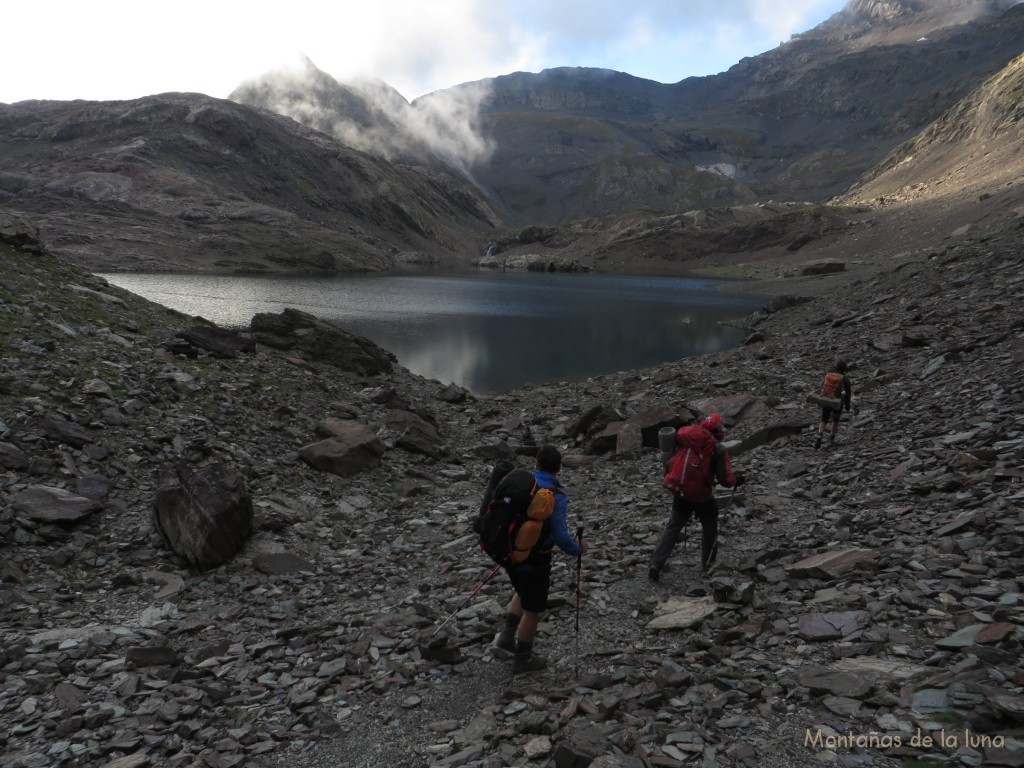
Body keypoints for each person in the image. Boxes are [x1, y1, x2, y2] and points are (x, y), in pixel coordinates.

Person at [491, 444, 587, 673]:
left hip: (510, 552)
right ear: (559, 469)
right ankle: (523, 658)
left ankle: (506, 637)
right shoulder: (554, 495)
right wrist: (577, 550)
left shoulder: (521, 483)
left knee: (522, 591)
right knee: (532, 609)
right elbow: (561, 536)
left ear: (536, 463)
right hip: (535, 559)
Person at [648, 413, 743, 581]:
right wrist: (737, 480)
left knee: (673, 527)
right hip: (702, 495)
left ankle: (656, 563)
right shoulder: (717, 448)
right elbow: (725, 479)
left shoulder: (685, 438)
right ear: (717, 429)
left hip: (681, 491)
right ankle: (707, 562)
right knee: (709, 526)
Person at [814, 359, 853, 449]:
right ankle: (832, 437)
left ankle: (819, 435)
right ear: (844, 369)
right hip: (837, 402)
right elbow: (848, 395)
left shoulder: (829, 375)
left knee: (824, 418)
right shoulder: (845, 379)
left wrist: (820, 398)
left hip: (826, 399)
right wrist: (847, 406)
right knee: (835, 420)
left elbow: (822, 386)